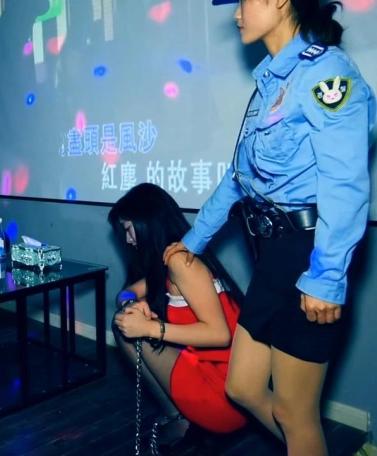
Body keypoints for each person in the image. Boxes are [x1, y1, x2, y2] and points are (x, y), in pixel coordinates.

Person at [163, 1, 376, 455]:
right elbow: (239, 178)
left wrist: (327, 277)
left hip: (311, 254)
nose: (236, 14)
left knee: (294, 413)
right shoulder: (270, 83)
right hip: (273, 257)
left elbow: (345, 184)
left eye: (244, 1)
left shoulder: (327, 73)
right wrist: (192, 241)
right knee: (242, 387)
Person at [110, 183, 248, 452]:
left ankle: (179, 420)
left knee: (124, 328)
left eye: (128, 229)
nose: (127, 240)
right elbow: (126, 294)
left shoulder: (179, 263)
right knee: (125, 319)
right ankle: (182, 420)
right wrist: (134, 305)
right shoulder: (171, 258)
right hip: (226, 385)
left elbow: (219, 335)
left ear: (147, 221)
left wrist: (151, 328)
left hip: (223, 396)